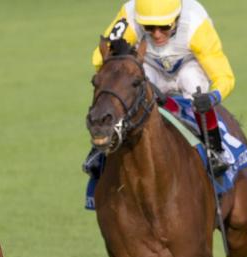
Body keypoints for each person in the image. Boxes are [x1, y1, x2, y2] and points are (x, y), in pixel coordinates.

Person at [84, 0, 236, 197]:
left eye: (164, 27)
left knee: (194, 84)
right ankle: (101, 150)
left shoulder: (196, 24)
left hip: (188, 67)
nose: (156, 34)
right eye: (149, 28)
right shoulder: (130, 14)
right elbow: (99, 58)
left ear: (177, 18)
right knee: (126, 87)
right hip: (149, 67)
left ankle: (215, 151)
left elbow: (224, 77)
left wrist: (213, 97)